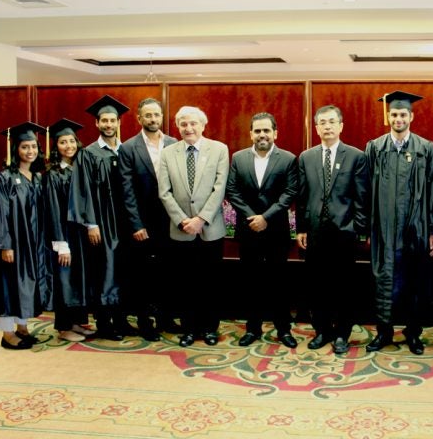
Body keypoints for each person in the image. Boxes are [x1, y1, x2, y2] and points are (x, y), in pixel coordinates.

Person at [365, 90, 433, 355]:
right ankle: (383, 333)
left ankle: (413, 333)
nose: (398, 118)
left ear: (411, 116)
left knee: (414, 283)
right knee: (385, 281)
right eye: (394, 114)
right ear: (388, 117)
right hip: (384, 229)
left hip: (416, 229)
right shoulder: (375, 147)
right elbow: (365, 190)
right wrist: (368, 228)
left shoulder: (426, 148)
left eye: (403, 114)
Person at [296, 105, 369, 354]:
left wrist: (358, 229)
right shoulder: (306, 157)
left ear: (341, 126)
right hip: (315, 233)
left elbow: (361, 197)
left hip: (344, 233)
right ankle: (322, 331)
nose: (327, 126)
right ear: (316, 128)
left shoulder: (356, 156)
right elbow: (303, 196)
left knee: (344, 287)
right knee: (317, 286)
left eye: (331, 122)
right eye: (322, 123)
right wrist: (302, 229)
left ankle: (342, 334)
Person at [226, 112, 298, 349]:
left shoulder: (288, 159)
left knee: (279, 283)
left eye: (266, 130)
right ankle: (252, 329)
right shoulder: (238, 158)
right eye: (257, 131)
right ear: (251, 134)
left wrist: (266, 217)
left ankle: (284, 330)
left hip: (276, 230)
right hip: (249, 231)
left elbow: (290, 193)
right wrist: (251, 217)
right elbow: (232, 190)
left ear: (275, 133)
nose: (262, 135)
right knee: (251, 283)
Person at [158, 106, 229, 347]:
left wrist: (201, 218)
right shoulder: (168, 153)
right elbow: (164, 192)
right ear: (178, 127)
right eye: (183, 124)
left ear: (202, 125)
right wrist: (182, 220)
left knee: (211, 283)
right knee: (184, 283)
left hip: (210, 229)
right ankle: (189, 329)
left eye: (193, 124)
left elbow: (220, 188)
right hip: (181, 230)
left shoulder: (219, 149)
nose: (188, 128)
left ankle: (210, 329)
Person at [118, 98, 180, 341]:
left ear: (162, 117)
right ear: (139, 118)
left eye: (157, 115)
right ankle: (145, 322)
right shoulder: (128, 147)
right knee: (142, 275)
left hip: (171, 221)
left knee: (167, 273)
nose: (153, 119)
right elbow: (127, 190)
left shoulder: (175, 144)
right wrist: (136, 224)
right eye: (148, 115)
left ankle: (166, 318)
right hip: (142, 224)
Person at [73, 94, 133, 340]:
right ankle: (104, 322)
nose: (109, 125)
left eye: (112, 120)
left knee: (123, 269)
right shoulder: (88, 154)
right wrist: (91, 223)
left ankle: (121, 319)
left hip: (125, 222)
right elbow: (83, 190)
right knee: (104, 269)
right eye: (104, 121)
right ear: (97, 124)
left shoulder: (127, 150)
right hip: (102, 223)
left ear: (119, 122)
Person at [0, 122, 50, 349]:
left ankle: (22, 329)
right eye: (25, 147)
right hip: (12, 245)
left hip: (32, 245)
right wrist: (5, 245)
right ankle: (7, 334)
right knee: (7, 286)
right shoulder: (3, 179)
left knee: (25, 286)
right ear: (16, 150)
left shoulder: (38, 178)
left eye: (33, 146)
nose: (30, 151)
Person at [44, 118, 98, 342]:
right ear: (56, 146)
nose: (69, 146)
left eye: (72, 141)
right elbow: (53, 210)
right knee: (65, 279)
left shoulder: (81, 168)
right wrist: (60, 245)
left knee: (79, 279)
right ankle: (64, 327)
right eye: (63, 142)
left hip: (80, 234)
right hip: (64, 234)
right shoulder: (54, 174)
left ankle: (77, 323)